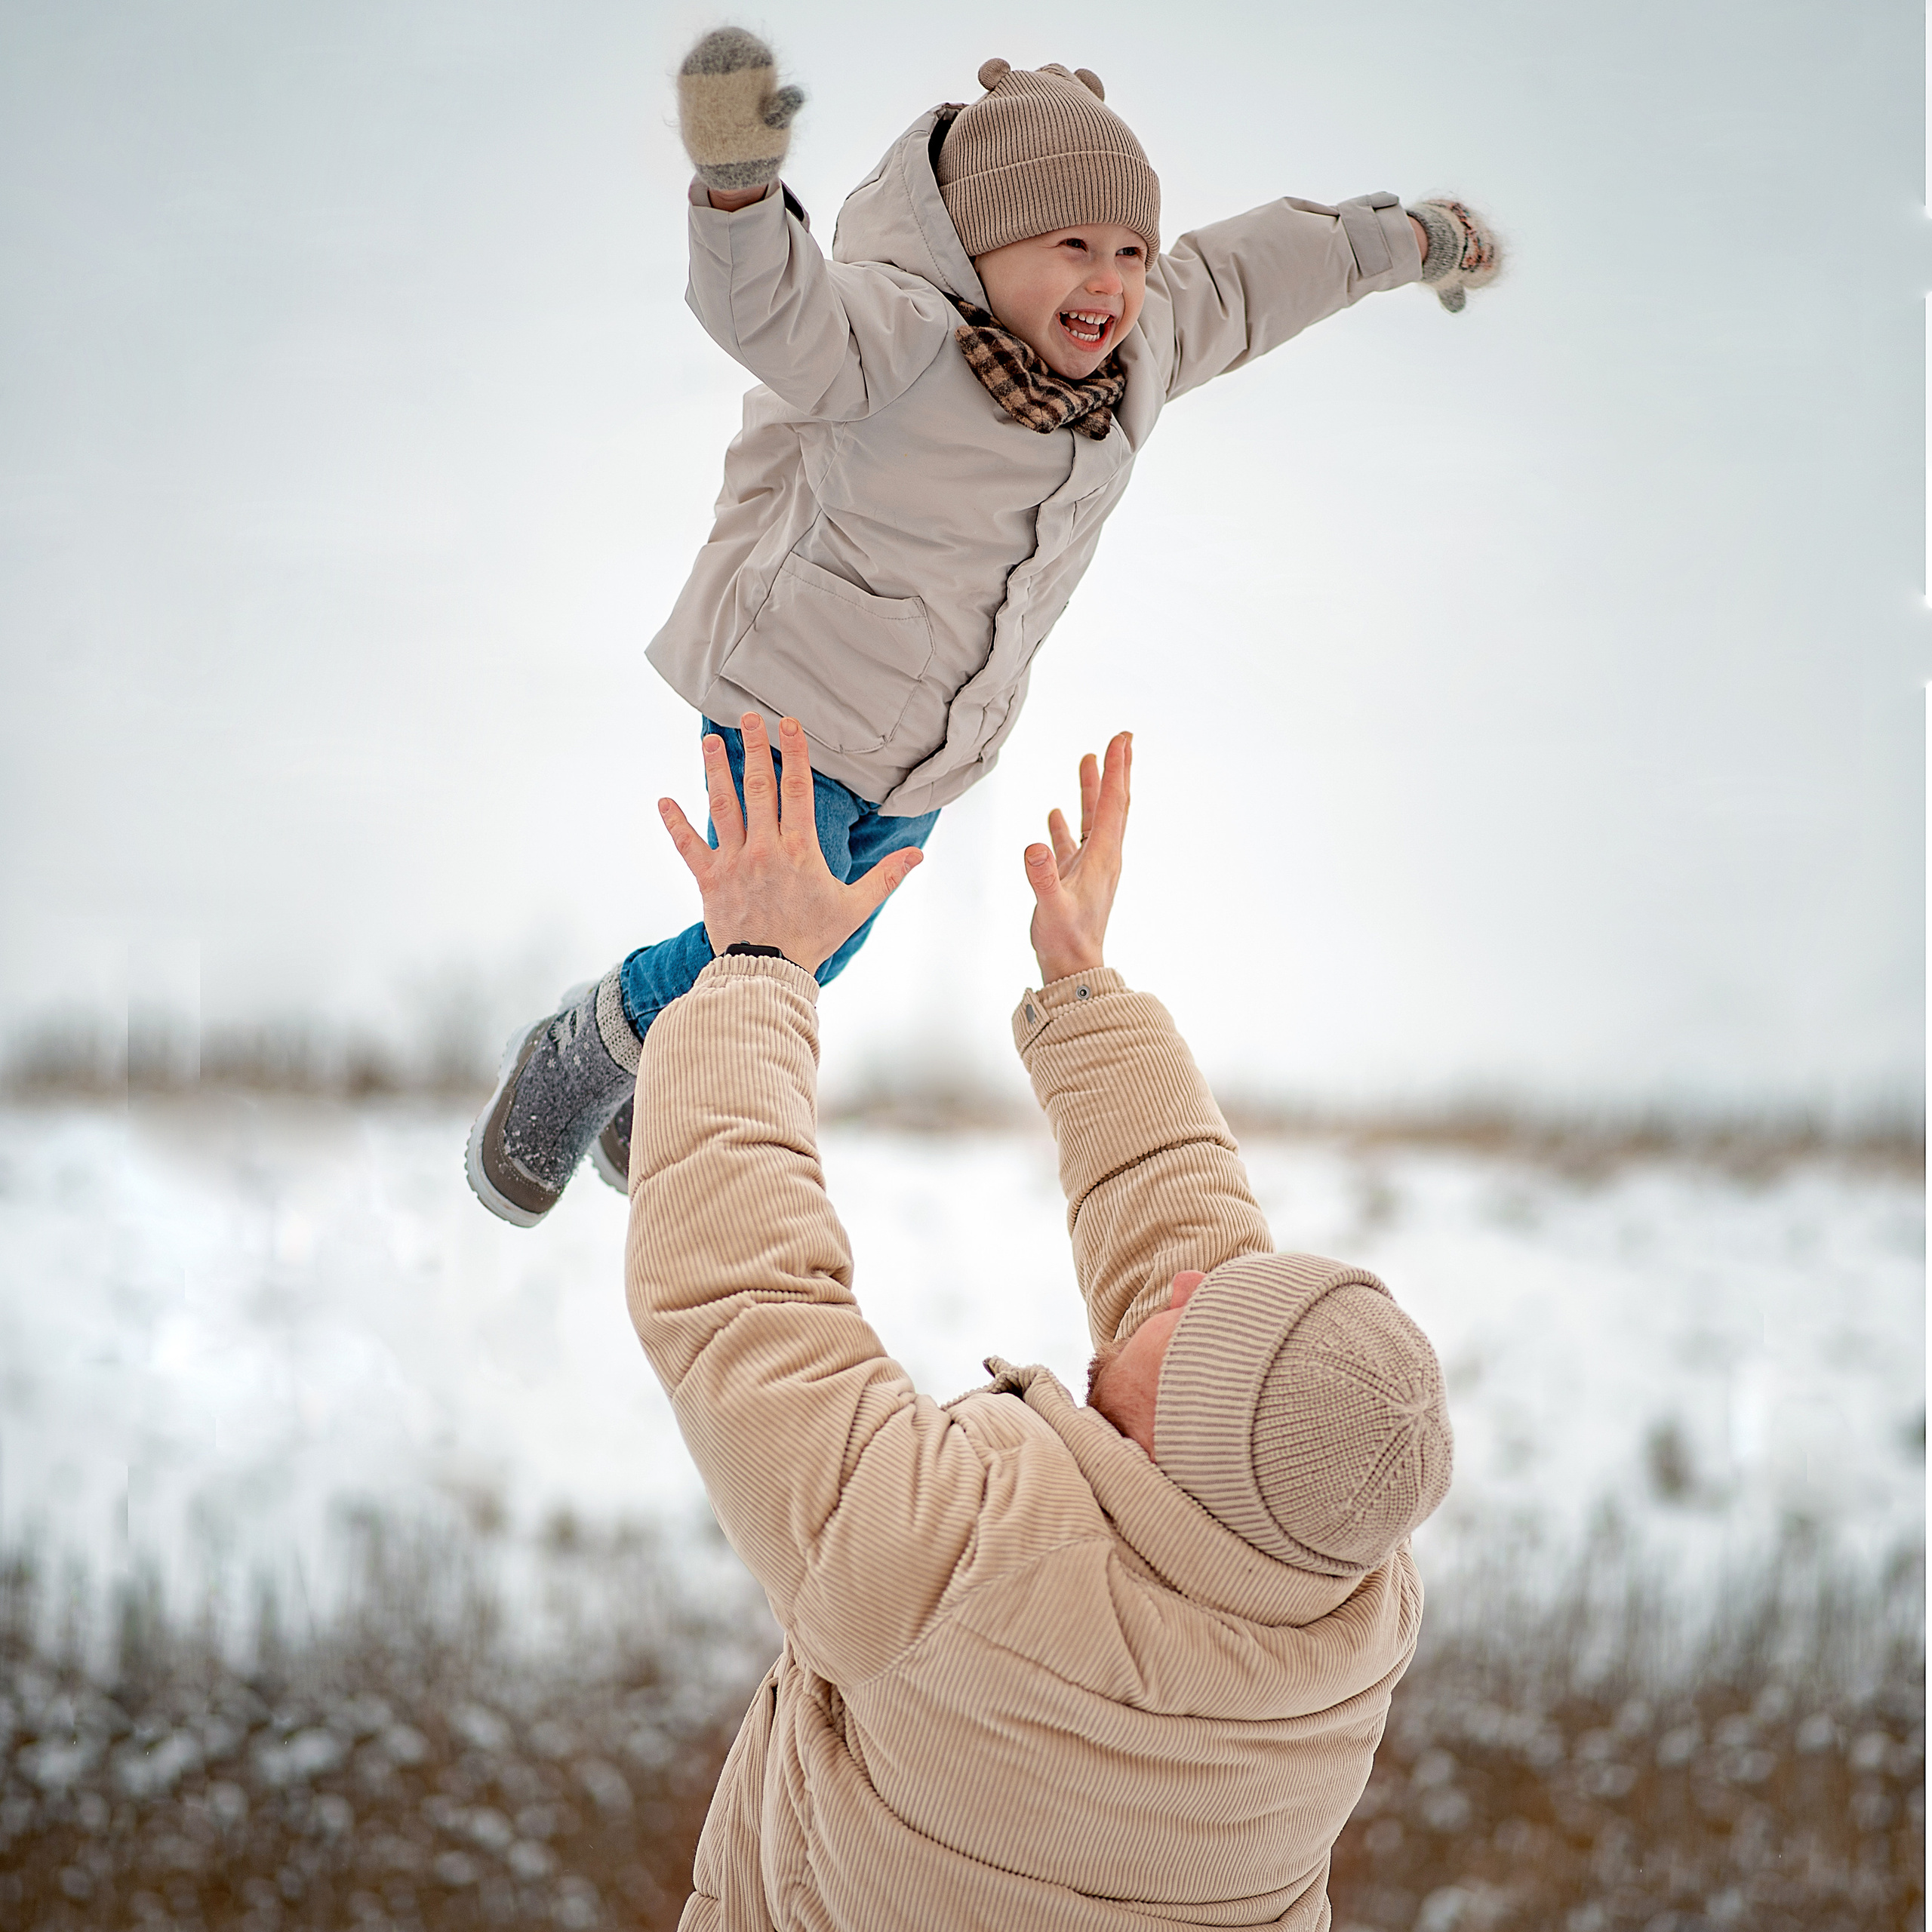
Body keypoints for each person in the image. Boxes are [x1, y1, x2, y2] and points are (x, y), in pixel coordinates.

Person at [466, 32, 1500, 1226]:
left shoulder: (1144, 351)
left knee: (818, 953)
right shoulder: (895, 335)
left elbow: (1264, 274)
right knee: (773, 945)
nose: (1108, 282)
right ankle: (587, 1051)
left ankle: (678, 1062)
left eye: (1128, 251)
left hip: (934, 747)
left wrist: (1411, 240)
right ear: (980, 246)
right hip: (789, 703)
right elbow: (775, 311)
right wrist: (742, 192)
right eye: (1070, 247)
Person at [626, 711, 1454, 1931]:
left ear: (1177, 1448)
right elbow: (1225, 1324)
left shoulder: (955, 1562)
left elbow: (744, 1301)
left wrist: (755, 966)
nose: (1181, 1287)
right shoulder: (1338, 1620)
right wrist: (1085, 990)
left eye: (1200, 1324)